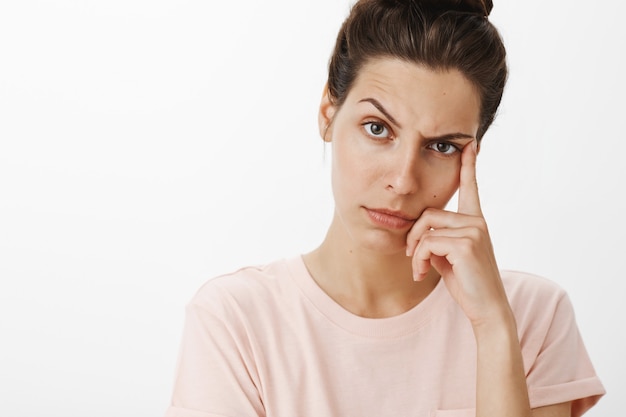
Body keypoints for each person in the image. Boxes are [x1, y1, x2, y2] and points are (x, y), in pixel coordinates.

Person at [164, 0, 605, 416]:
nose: (403, 180)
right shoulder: (237, 321)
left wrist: (492, 328)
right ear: (327, 112)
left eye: (441, 146)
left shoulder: (531, 316)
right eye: (377, 129)